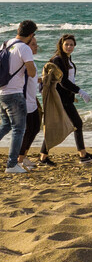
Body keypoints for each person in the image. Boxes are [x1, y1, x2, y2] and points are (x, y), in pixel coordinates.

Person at [39, 34, 92, 165]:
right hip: (60, 98)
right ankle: (82, 155)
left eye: (71, 44)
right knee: (76, 123)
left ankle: (43, 158)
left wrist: (76, 92)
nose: (69, 47)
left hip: (67, 98)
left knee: (70, 125)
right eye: (66, 44)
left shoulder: (67, 59)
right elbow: (63, 82)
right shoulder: (58, 60)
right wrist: (80, 91)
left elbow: (68, 80)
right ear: (61, 45)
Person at [0, 20, 38, 174]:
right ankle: (11, 165)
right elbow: (32, 72)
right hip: (15, 93)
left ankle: (12, 163)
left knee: (6, 125)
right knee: (19, 129)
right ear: (31, 35)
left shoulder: (5, 43)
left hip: (2, 92)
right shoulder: (24, 48)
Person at [17, 35, 42, 170]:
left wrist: (41, 79)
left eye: (36, 44)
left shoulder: (31, 61)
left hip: (32, 99)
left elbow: (32, 79)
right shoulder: (26, 62)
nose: (36, 46)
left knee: (34, 128)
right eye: (33, 44)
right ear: (26, 46)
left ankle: (23, 156)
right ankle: (20, 159)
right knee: (29, 129)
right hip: (25, 101)